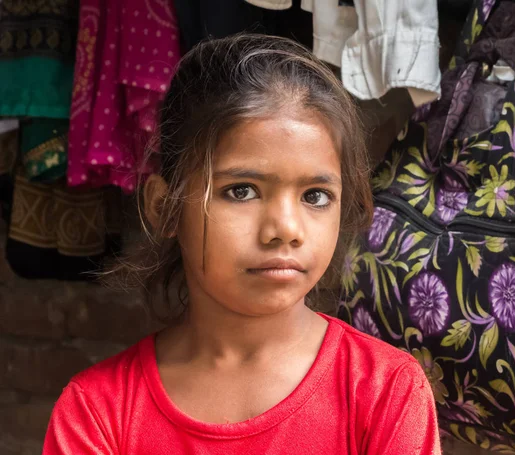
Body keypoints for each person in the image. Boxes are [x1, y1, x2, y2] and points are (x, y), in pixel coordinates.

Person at [42, 34, 442, 454]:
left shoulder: (386, 392)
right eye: (242, 191)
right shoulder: (98, 412)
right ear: (165, 208)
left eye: (315, 196)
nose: (285, 228)